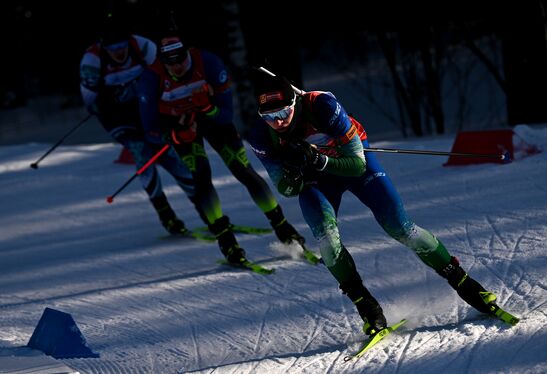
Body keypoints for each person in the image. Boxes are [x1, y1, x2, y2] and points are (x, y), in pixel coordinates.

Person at [248, 72, 512, 336]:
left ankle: (464, 282)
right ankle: (367, 308)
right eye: (269, 117)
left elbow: (356, 165)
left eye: (283, 112)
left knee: (400, 227)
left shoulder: (322, 107)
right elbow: (285, 188)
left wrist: (320, 161)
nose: (278, 121)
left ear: (294, 102)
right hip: (316, 178)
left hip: (352, 163)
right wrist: (294, 174)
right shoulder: (261, 134)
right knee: (327, 242)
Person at [137, 34, 306, 265]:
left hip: (214, 121)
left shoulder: (209, 63)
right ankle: (226, 240)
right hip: (181, 127)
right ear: (162, 62)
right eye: (170, 63)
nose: (176, 67)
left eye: (181, 60)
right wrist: (175, 134)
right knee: (201, 177)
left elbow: (226, 114)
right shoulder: (151, 77)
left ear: (188, 53)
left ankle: (283, 228)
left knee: (243, 169)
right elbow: (150, 129)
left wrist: (207, 107)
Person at [79, 15, 203, 235]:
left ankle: (205, 209)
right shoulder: (92, 60)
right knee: (141, 151)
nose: (118, 51)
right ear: (103, 45)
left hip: (148, 110)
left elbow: (166, 76)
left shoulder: (142, 45)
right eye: (112, 47)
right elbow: (90, 100)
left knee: (169, 155)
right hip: (118, 118)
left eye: (121, 44)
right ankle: (166, 215)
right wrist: (105, 101)